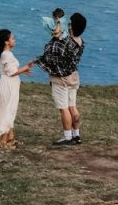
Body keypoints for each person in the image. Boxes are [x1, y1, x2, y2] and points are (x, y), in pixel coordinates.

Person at [31, 12, 87, 147]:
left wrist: (37, 61)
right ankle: (76, 134)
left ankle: (67, 136)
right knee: (72, 107)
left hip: (61, 80)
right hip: (73, 78)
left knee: (64, 109)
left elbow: (49, 55)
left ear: (72, 27)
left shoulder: (63, 42)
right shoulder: (80, 42)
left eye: (69, 23)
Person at [0, 29, 32, 149]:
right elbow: (11, 72)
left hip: (9, 83)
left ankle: (10, 137)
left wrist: (23, 71)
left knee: (10, 109)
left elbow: (9, 71)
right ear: (7, 41)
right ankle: (3, 140)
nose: (14, 40)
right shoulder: (6, 54)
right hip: (9, 84)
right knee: (8, 110)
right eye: (12, 38)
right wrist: (25, 68)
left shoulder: (6, 54)